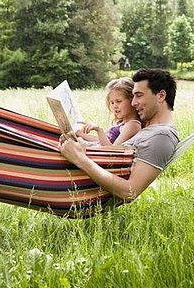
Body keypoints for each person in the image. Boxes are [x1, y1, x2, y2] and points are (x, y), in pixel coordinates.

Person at [59, 68, 179, 201]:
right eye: (133, 96)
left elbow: (130, 191)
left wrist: (79, 158)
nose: (133, 103)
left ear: (161, 96)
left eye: (139, 95)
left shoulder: (162, 137)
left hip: (80, 173)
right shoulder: (148, 130)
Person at [76, 77, 141, 146]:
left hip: (100, 155)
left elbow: (112, 150)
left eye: (118, 101)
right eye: (112, 102)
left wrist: (99, 130)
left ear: (132, 100)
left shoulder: (132, 125)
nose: (114, 106)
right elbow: (101, 141)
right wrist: (80, 134)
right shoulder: (122, 122)